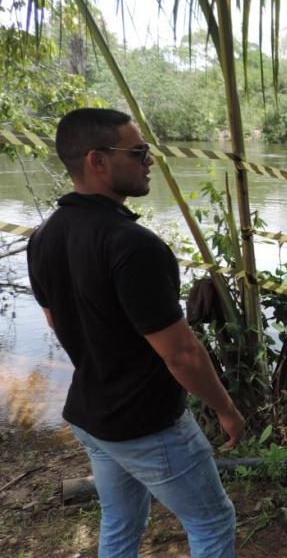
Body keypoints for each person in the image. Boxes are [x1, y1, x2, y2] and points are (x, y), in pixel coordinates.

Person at [27, 108, 244, 557]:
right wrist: (225, 409)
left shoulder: (43, 237)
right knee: (212, 521)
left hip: (93, 415)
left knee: (122, 522)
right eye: (139, 151)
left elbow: (56, 321)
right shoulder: (134, 246)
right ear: (97, 161)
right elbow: (181, 354)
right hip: (147, 425)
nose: (149, 161)